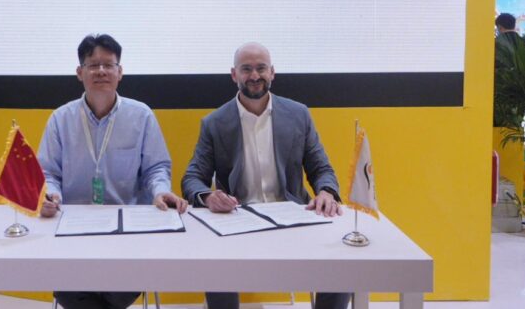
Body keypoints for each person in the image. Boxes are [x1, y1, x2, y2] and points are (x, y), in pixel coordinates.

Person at [181, 42, 350, 309]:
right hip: (237, 221)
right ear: (234, 75)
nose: (254, 75)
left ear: (272, 72)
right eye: (246, 69)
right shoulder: (214, 123)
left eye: (261, 68)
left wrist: (327, 192)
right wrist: (208, 197)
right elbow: (192, 177)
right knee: (215, 264)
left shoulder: (298, 115)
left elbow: (321, 169)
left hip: (294, 216)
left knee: (343, 267)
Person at [38, 34, 187, 309]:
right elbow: (48, 173)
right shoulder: (61, 119)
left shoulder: (141, 115)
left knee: (120, 290)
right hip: (73, 228)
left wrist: (160, 191)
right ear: (80, 72)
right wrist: (50, 195)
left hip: (127, 229)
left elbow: (156, 168)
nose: (101, 71)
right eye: (93, 65)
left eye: (108, 64)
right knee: (69, 291)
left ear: (120, 72)